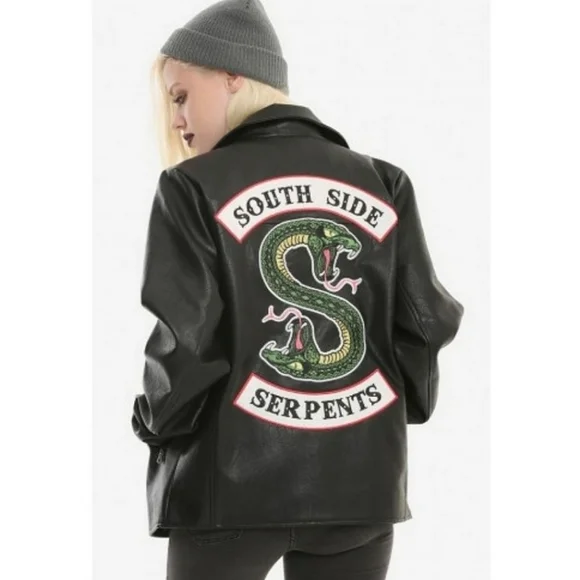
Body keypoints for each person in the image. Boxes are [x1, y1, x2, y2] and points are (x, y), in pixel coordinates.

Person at [130, 1, 465, 579]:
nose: (177, 120)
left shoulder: (191, 186)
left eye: (181, 96)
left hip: (227, 496)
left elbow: (188, 348)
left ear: (232, 75)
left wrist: (152, 420)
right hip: (359, 491)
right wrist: (381, 414)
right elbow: (425, 321)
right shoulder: (385, 183)